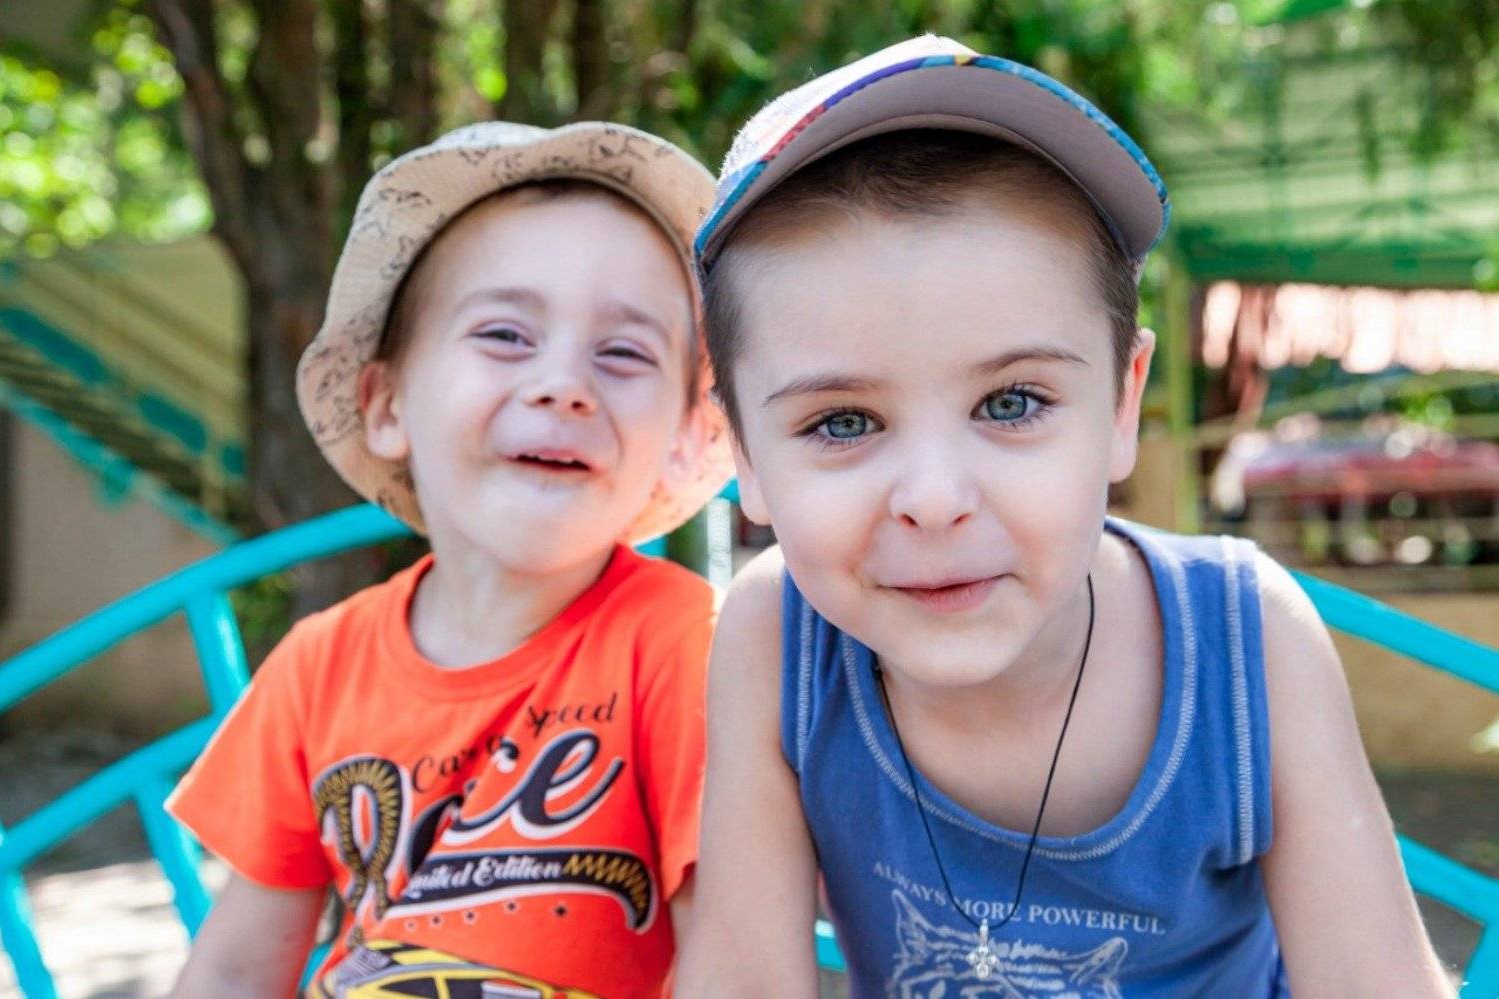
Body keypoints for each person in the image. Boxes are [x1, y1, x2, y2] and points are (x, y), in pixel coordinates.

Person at [678, 35, 1449, 997]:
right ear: (744, 454)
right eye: (842, 421)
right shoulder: (778, 636)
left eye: (1011, 403)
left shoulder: (1244, 637)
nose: (934, 500)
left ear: (1122, 404)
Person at [166, 121, 732, 998]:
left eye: (624, 352)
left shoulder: (682, 645)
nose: (563, 385)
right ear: (387, 404)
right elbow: (237, 968)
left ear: (685, 439)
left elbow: (730, 959)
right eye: (505, 334)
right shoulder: (320, 665)